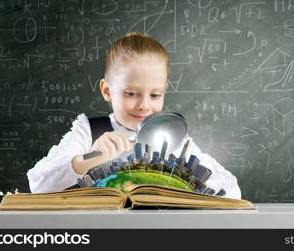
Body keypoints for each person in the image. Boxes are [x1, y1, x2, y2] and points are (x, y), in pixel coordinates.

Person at [27, 32, 241, 199]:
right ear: (107, 91)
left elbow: (231, 191)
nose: (144, 105)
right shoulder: (89, 130)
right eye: (131, 93)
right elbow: (39, 184)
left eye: (155, 95)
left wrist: (186, 173)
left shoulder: (172, 139)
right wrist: (92, 157)